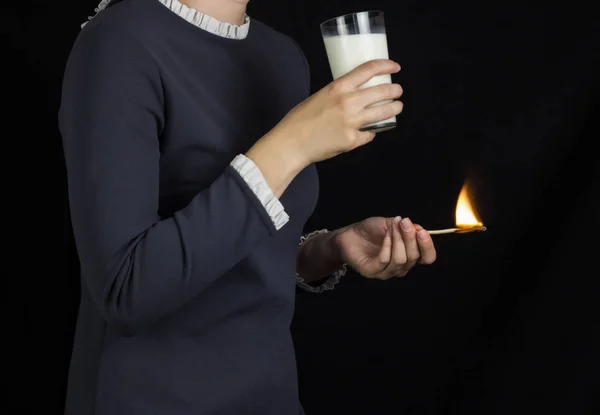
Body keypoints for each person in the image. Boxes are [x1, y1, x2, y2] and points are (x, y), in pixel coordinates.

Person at [60, 0, 438, 413]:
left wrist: (328, 249)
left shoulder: (281, 55)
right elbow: (125, 290)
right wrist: (291, 145)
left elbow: (240, 250)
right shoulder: (118, 40)